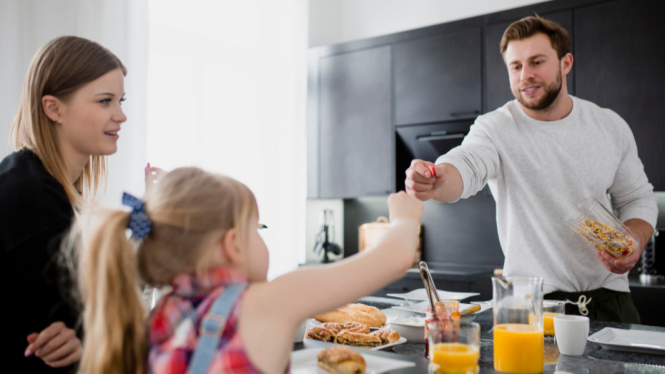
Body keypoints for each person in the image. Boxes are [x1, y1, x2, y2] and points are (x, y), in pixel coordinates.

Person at [405, 16, 657, 323]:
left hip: (610, 301)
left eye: (537, 62)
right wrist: (437, 179)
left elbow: (638, 198)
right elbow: (467, 163)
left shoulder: (609, 126)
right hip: (528, 309)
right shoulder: (495, 128)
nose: (525, 75)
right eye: (516, 66)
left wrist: (636, 241)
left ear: (566, 63)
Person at [76, 167, 422, 374]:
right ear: (233, 245)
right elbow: (392, 258)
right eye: (257, 228)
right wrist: (405, 217)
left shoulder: (159, 318)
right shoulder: (263, 303)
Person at [0, 36, 127, 372]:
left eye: (120, 100)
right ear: (54, 108)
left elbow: (72, 325)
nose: (121, 115)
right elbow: (57, 329)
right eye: (105, 101)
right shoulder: (29, 194)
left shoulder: (39, 184)